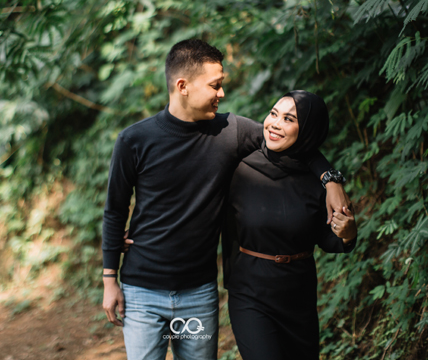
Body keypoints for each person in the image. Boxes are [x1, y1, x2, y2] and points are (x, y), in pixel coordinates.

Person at [102, 40, 350, 360]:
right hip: (141, 290)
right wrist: (109, 278)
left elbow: (295, 140)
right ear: (183, 86)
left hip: (198, 293)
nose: (221, 93)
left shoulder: (230, 131)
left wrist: (330, 179)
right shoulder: (134, 140)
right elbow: (115, 210)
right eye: (215, 85)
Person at [224, 90, 357, 360]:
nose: (275, 124)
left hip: (298, 296)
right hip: (249, 292)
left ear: (307, 130)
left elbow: (328, 238)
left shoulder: (318, 183)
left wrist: (347, 233)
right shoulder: (239, 169)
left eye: (288, 119)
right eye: (273, 113)